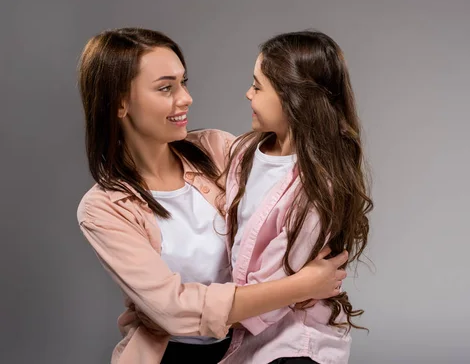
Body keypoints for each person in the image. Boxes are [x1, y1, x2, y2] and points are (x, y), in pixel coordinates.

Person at [76, 27, 349, 364]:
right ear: (120, 103)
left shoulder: (221, 149)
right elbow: (174, 311)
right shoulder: (103, 209)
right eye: (166, 88)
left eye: (183, 83)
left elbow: (293, 192)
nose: (186, 98)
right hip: (175, 354)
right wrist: (302, 287)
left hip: (258, 343)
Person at [221, 31, 373, 364]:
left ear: (293, 97)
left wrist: (207, 314)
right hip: (241, 328)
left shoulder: (319, 186)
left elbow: (278, 282)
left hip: (292, 340)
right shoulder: (243, 152)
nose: (248, 94)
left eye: (258, 86)